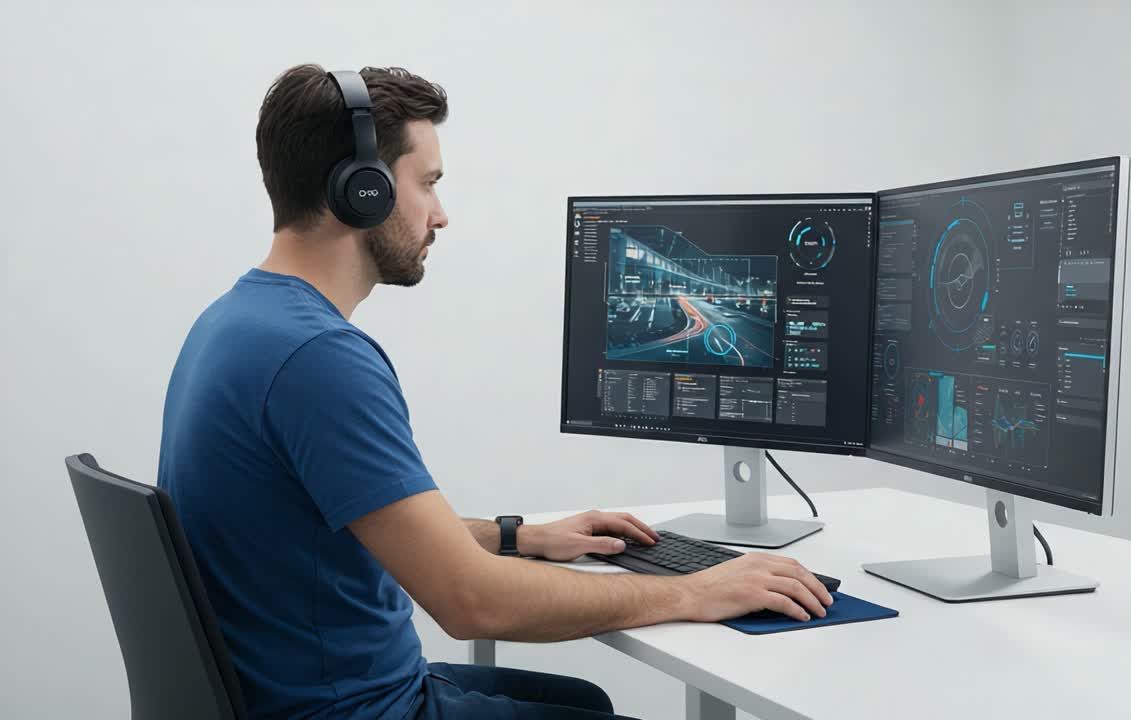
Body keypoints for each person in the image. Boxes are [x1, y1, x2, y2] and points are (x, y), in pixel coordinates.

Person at [158, 63, 832, 720]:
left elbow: (362, 525)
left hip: (308, 690)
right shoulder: (318, 359)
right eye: (427, 183)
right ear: (362, 191)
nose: (441, 215)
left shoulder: (235, 322)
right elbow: (471, 605)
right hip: (355, 707)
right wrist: (695, 591)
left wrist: (520, 537)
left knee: (586, 702)